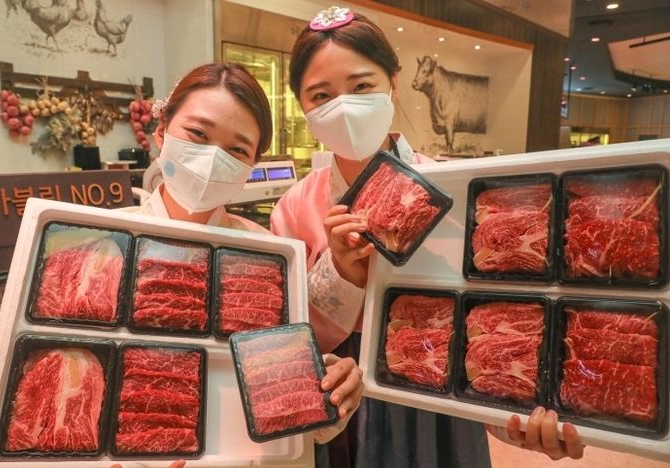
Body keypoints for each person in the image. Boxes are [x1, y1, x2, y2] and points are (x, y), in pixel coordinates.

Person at [270, 7, 583, 468]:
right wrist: (342, 272)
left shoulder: (452, 188)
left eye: (361, 87)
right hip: (341, 393)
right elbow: (288, 335)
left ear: (393, 83)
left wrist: (517, 419)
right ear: (302, 106)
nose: (344, 106)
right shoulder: (295, 205)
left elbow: (490, 315)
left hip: (436, 384)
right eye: (321, 95)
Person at [122, 62, 364, 447]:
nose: (212, 158)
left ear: (250, 165)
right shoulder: (106, 241)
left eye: (236, 149)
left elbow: (285, 393)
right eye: (198, 134)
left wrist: (329, 391)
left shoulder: (265, 254)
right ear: (162, 130)